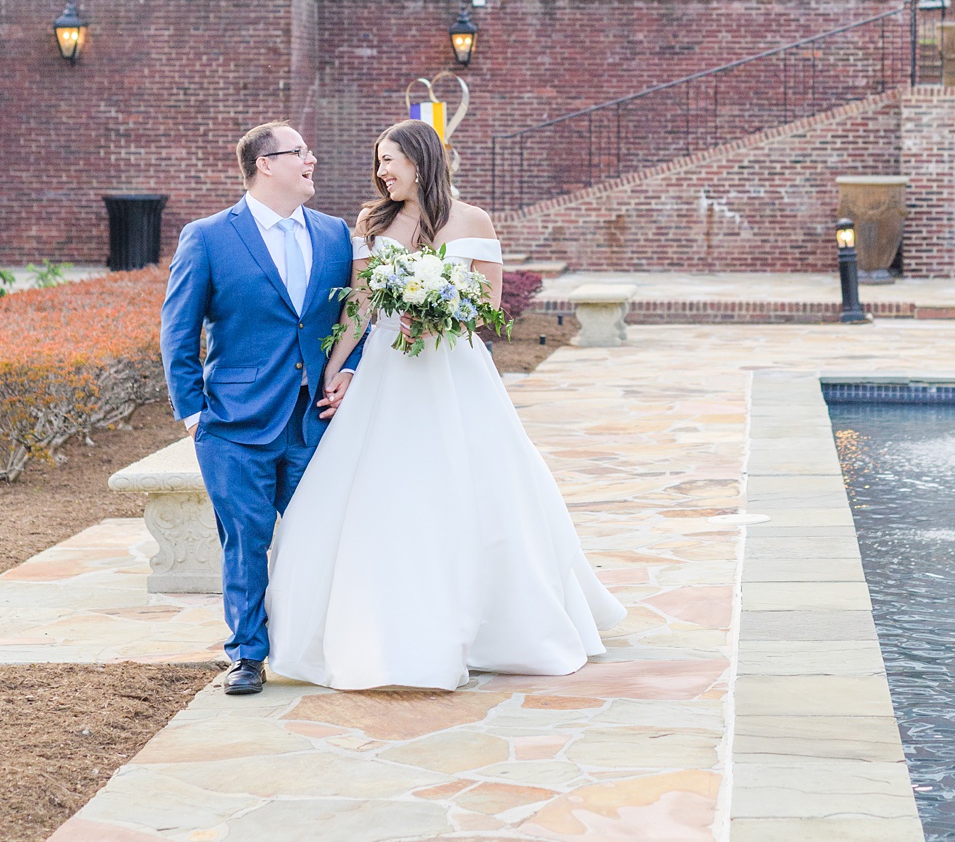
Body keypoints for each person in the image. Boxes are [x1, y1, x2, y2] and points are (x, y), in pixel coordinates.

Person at [263, 118, 624, 689]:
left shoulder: (473, 220)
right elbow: (359, 302)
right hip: (387, 369)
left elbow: (491, 310)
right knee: (383, 488)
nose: (381, 172)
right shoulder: (372, 221)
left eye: (390, 161)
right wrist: (338, 368)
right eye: (378, 161)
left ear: (421, 160)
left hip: (454, 370)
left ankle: (493, 623)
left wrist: (441, 309)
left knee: (477, 484)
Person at [160, 123, 361, 696]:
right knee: (245, 539)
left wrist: (350, 369)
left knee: (316, 536)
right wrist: (195, 414)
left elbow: (356, 316)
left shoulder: (335, 235)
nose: (312, 159)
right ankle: (248, 654)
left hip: (313, 419)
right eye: (300, 152)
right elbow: (178, 332)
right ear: (264, 164)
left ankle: (312, 641)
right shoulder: (207, 237)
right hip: (233, 423)